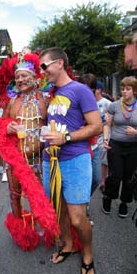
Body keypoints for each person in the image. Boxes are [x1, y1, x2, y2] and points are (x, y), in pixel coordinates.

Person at [39, 47, 102, 274]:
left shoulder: (81, 90)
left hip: (75, 160)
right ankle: (68, 244)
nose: (41, 71)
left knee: (77, 218)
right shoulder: (51, 93)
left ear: (59, 63)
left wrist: (65, 137)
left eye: (44, 66)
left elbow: (97, 126)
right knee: (60, 210)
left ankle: (87, 254)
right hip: (50, 161)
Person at [0, 50, 60, 251]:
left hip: (40, 159)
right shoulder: (12, 102)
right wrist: (7, 126)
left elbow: (58, 123)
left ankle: (49, 230)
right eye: (17, 77)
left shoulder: (46, 99)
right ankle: (22, 232)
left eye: (24, 76)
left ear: (34, 77)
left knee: (43, 197)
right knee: (14, 195)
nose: (20, 80)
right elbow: (0, 124)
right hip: (16, 161)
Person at [102, 76, 137, 218]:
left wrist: (136, 132)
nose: (124, 91)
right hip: (115, 143)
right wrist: (105, 139)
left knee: (129, 177)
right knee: (115, 175)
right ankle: (108, 197)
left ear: (134, 91)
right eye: (122, 88)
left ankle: (124, 203)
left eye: (128, 89)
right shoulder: (114, 105)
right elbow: (107, 124)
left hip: (133, 146)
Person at [94, 80, 112, 192]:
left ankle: (104, 180)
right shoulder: (90, 102)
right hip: (94, 135)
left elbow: (113, 120)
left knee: (104, 159)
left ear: (99, 90)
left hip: (105, 134)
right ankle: (102, 179)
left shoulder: (106, 103)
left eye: (94, 89)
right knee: (100, 159)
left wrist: (109, 121)